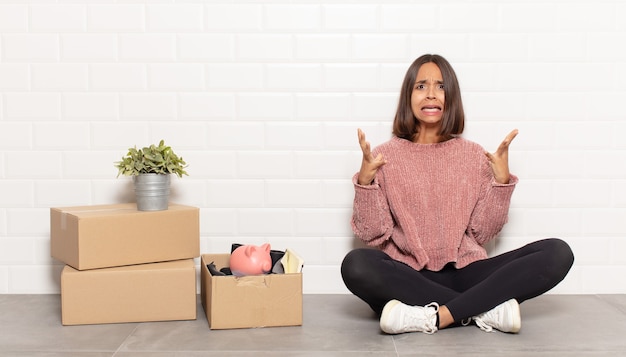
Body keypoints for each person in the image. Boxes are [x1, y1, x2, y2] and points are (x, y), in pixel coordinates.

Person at [340, 54, 574, 335]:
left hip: (467, 272)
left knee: (557, 252)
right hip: (408, 276)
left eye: (440, 86)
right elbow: (372, 234)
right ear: (408, 97)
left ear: (452, 97)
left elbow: (482, 233)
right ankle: (481, 310)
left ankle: (434, 316)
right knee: (356, 265)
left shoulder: (473, 155)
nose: (431, 94)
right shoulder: (383, 156)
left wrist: (501, 182)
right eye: (420, 86)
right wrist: (366, 182)